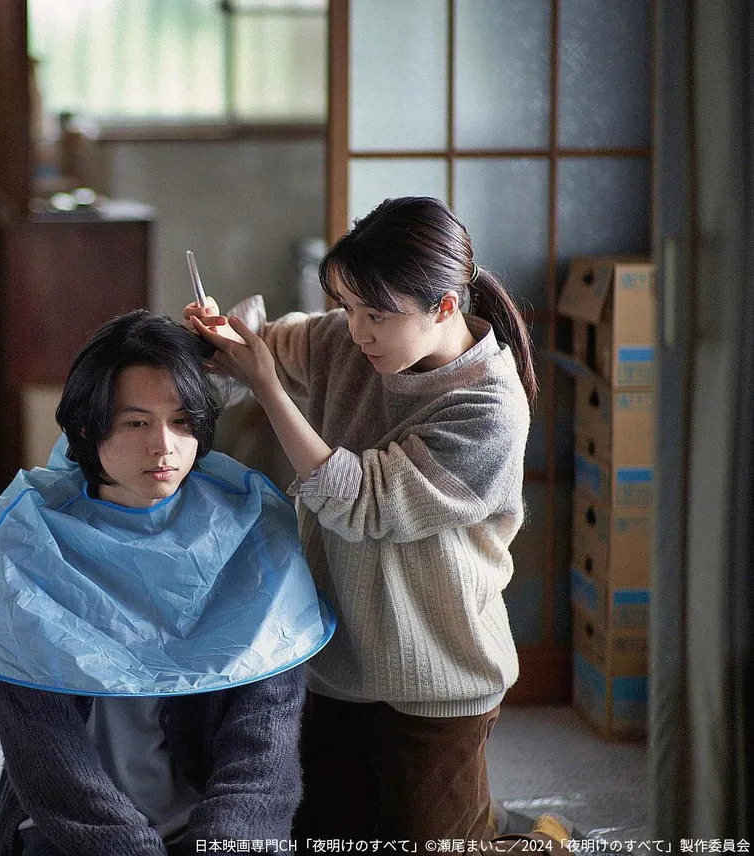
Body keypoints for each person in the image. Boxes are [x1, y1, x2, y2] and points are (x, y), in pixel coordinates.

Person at [185, 196, 571, 848]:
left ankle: (537, 837)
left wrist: (270, 389)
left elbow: (361, 504)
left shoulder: (489, 407)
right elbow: (265, 350)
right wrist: (222, 339)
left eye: (377, 315)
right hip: (332, 656)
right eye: (347, 307)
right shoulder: (349, 341)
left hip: (437, 676)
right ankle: (482, 817)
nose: (358, 331)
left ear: (445, 305)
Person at [0, 310, 333, 856]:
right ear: (88, 428)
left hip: (209, 829)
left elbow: (262, 753)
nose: (164, 446)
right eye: (137, 422)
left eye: (184, 421)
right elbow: (49, 762)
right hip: (73, 831)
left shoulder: (254, 532)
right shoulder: (28, 543)